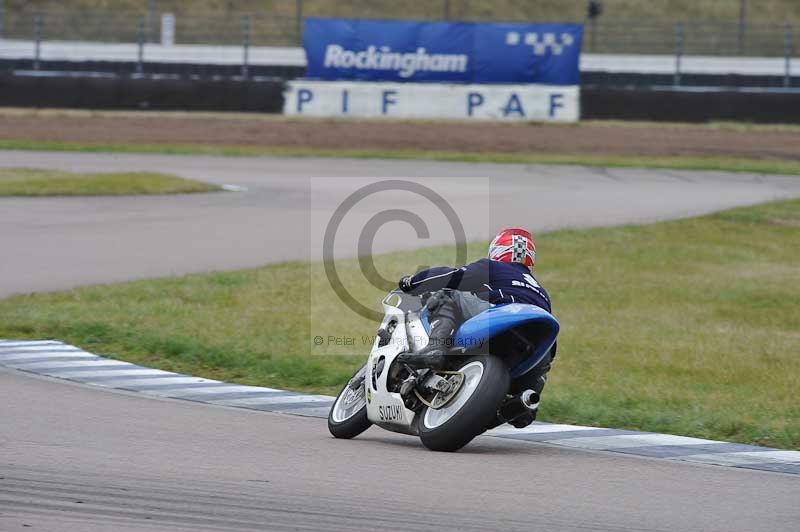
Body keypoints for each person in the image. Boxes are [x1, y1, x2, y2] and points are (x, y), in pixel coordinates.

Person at [396, 227, 555, 425]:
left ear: (498, 250)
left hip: (501, 315)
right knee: (548, 352)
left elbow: (450, 276)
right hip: (529, 342)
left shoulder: (494, 267)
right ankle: (524, 404)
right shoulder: (541, 291)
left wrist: (412, 282)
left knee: (450, 294)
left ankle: (435, 348)